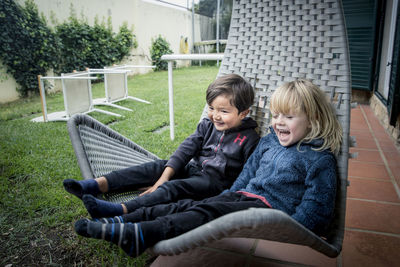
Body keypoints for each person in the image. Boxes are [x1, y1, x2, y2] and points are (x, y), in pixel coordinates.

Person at [73, 78, 343, 258]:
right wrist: (230, 195)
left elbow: (317, 210)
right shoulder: (270, 141)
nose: (278, 123)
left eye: (289, 116)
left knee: (205, 208)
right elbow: (248, 173)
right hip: (241, 198)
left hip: (273, 211)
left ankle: (144, 233)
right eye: (275, 115)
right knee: (183, 206)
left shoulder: (320, 159)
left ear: (313, 118)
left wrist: (290, 226)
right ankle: (122, 222)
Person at [64, 73, 260, 218]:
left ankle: (123, 209)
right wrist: (163, 177)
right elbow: (186, 149)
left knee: (173, 188)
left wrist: (227, 196)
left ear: (243, 113)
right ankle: (96, 185)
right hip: (192, 169)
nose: (215, 115)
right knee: (155, 167)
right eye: (211, 108)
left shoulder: (250, 139)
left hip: (212, 183)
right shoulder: (207, 126)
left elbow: (248, 173)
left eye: (223, 111)